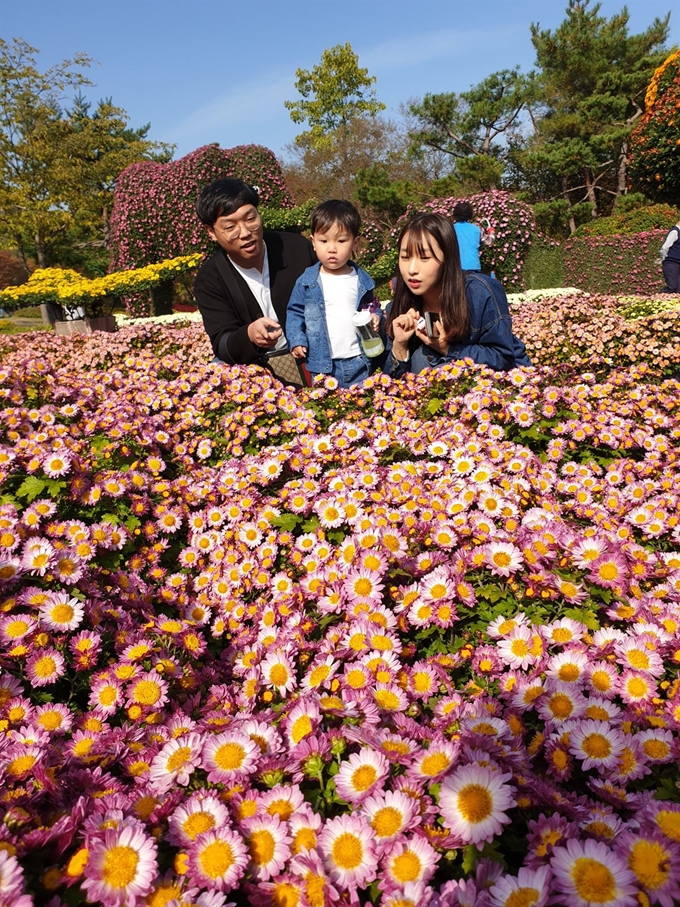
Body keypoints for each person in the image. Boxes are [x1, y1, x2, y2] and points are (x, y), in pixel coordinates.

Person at [384, 212, 530, 378]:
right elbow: (390, 386)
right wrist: (399, 346)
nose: (412, 269)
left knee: (428, 361)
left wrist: (447, 348)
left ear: (447, 258)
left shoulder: (479, 293)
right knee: (420, 357)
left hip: (496, 387)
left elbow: (502, 357)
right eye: (405, 257)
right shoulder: (399, 307)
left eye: (425, 257)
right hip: (438, 393)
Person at [194, 179, 316, 364]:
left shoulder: (297, 249)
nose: (245, 233)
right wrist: (249, 335)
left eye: (250, 219)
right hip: (256, 368)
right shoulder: (209, 280)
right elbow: (222, 343)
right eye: (230, 227)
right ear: (211, 232)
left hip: (312, 356)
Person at [286, 200, 381, 388]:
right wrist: (297, 340)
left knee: (359, 409)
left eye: (341, 241)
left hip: (358, 359)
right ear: (313, 242)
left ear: (355, 243)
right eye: (324, 241)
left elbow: (371, 306)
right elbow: (294, 312)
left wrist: (375, 316)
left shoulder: (361, 280)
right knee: (326, 410)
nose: (332, 248)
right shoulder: (307, 281)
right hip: (322, 364)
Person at [452, 201, 493, 272]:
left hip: (455, 268)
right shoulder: (476, 229)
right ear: (470, 214)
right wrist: (491, 231)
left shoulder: (450, 229)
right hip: (474, 267)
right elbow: (489, 241)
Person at [660, 218, 680, 293]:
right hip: (672, 262)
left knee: (678, 289)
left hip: (678, 263)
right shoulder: (675, 231)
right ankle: (656, 299)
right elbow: (665, 247)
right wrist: (664, 258)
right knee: (672, 286)